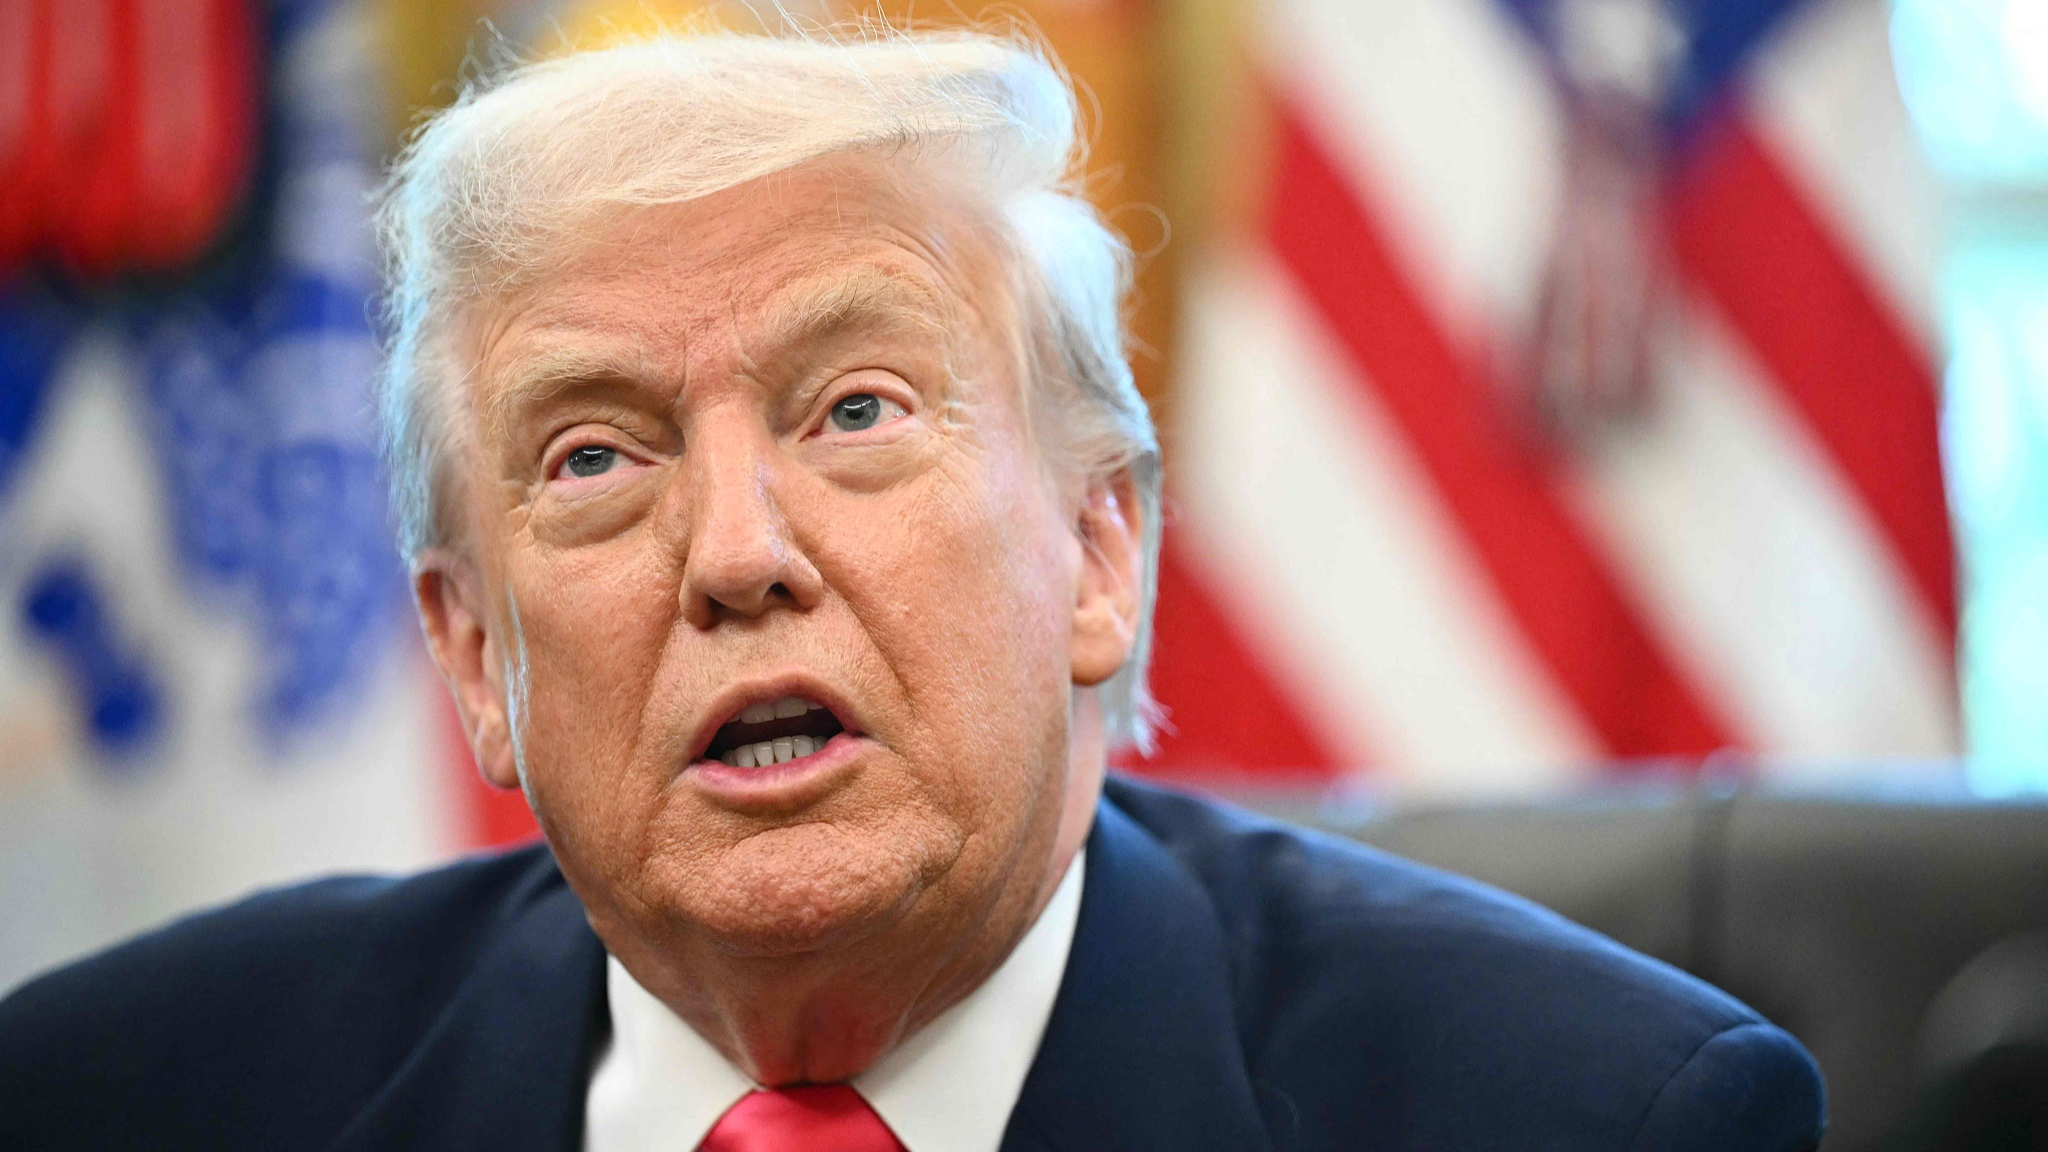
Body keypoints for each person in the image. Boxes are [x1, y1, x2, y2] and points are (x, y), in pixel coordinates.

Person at [0, 29, 1824, 1151]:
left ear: (1101, 551)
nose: (735, 555)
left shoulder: (1594, 1116)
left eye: (857, 412)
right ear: (474, 658)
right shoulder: (119, 1095)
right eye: (593, 458)